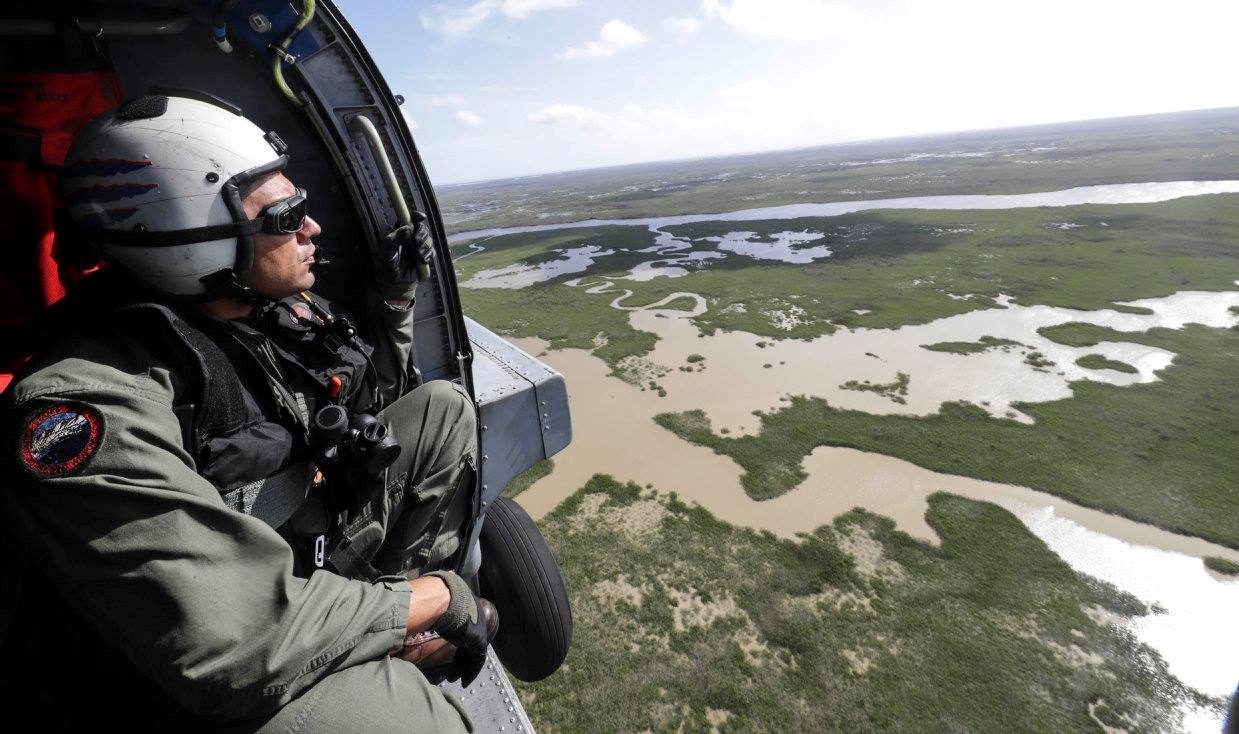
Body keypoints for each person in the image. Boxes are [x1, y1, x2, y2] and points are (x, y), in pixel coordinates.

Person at [0, 92, 494, 732]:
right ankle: (384, 640)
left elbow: (370, 397)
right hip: (230, 643)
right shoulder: (85, 406)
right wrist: (438, 599)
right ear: (192, 239)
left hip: (303, 547)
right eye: (286, 217)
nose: (311, 231)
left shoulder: (263, 316)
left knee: (443, 411)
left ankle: (390, 632)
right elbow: (236, 639)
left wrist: (396, 305)